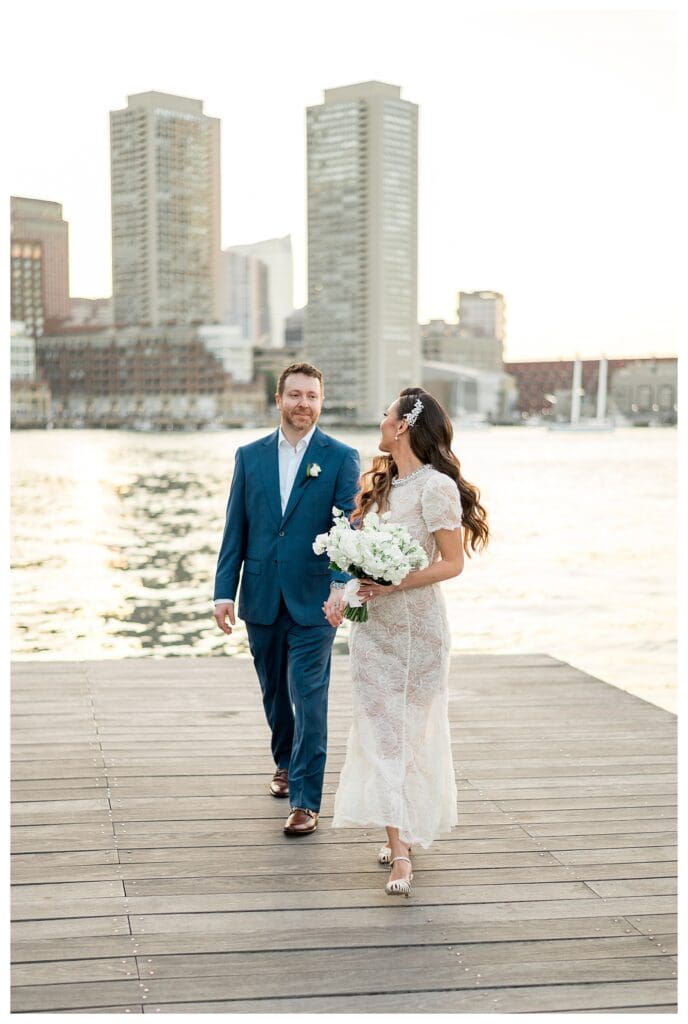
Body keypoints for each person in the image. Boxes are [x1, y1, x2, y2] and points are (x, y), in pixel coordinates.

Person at [326, 387, 489, 895]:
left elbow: (451, 563)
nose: (381, 419)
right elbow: (353, 554)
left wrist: (395, 582)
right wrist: (342, 593)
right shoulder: (382, 485)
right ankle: (398, 845)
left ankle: (403, 843)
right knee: (381, 737)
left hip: (418, 632)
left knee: (410, 739)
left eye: (387, 413)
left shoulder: (435, 488)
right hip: (373, 631)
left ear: (403, 426)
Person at [214, 363, 360, 836]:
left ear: (322, 401)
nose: (304, 404)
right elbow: (236, 526)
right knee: (275, 692)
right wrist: (223, 592)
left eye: (312, 396)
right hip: (260, 595)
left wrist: (341, 588)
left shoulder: (340, 457)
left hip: (316, 601)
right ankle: (284, 762)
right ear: (278, 399)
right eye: (295, 395)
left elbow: (348, 531)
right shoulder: (249, 455)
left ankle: (305, 800)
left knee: (310, 695)